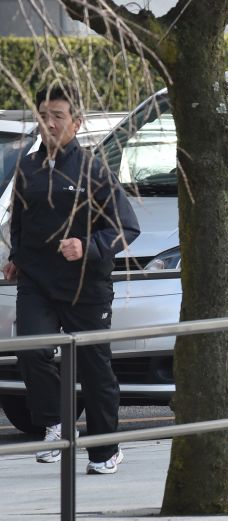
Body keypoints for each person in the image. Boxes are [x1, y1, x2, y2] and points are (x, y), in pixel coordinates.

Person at [4, 84, 140, 474]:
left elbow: (125, 228)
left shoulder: (94, 170)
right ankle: (55, 423)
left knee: (95, 369)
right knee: (32, 348)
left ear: (76, 124)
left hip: (86, 287)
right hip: (37, 283)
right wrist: (15, 257)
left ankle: (104, 451)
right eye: (43, 116)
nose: (48, 124)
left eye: (57, 117)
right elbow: (20, 222)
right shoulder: (26, 167)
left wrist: (87, 246)